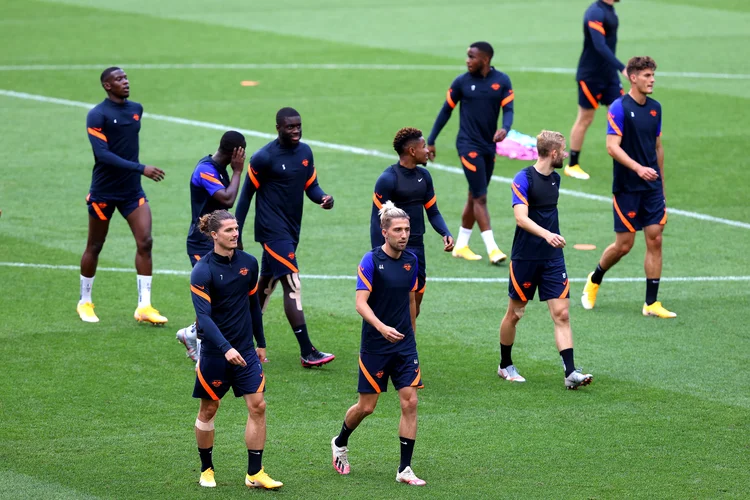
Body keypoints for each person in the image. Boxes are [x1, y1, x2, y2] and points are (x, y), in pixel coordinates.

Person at [331, 201, 426, 486]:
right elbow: (360, 303)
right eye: (398, 229)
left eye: (407, 229)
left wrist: (412, 333)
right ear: (384, 232)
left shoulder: (412, 260)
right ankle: (339, 442)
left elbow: (410, 299)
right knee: (367, 406)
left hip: (404, 345)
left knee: (410, 401)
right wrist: (382, 328)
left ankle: (404, 469)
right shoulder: (371, 261)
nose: (404, 234)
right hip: (375, 343)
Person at [235, 107, 335, 368]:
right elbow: (246, 196)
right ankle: (307, 351)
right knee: (293, 283)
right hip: (271, 230)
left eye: (299, 126)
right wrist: (236, 231)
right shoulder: (264, 158)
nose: (296, 130)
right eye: (290, 127)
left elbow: (311, 186)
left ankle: (235, 337)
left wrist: (323, 198)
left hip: (291, 230)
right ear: (278, 127)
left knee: (265, 286)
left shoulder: (305, 152)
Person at [190, 209, 282, 490]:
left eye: (237, 228)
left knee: (258, 406)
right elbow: (203, 317)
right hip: (217, 354)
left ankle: (255, 473)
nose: (235, 233)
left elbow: (253, 304)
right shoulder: (202, 270)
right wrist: (225, 348)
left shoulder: (249, 263)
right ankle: (206, 468)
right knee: (209, 408)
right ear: (214, 235)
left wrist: (261, 341)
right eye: (229, 230)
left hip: (245, 350)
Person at [581, 57, 675, 318]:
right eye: (646, 75)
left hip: (652, 187)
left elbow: (658, 148)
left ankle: (651, 303)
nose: (652, 79)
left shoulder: (655, 108)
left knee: (655, 238)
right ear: (633, 78)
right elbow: (612, 147)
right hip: (627, 187)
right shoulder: (619, 107)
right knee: (624, 245)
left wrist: (662, 184)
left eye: (653, 74)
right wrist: (638, 169)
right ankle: (595, 278)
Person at [499, 131, 593, 390]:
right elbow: (521, 218)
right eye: (562, 151)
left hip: (552, 258)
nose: (565, 154)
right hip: (526, 258)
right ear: (553, 153)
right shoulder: (523, 178)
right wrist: (547, 234)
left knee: (561, 314)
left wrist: (550, 240)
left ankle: (570, 372)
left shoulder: (556, 178)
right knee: (515, 313)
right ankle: (505, 364)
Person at [77, 67, 167, 324]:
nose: (125, 82)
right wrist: (142, 168)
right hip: (104, 191)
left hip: (131, 192)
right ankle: (84, 302)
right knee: (95, 245)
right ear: (107, 85)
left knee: (146, 242)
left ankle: (144, 307)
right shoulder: (97, 115)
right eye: (118, 79)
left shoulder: (136, 109)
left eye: (125, 77)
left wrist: (137, 173)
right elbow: (102, 155)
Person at [426, 41, 514, 264]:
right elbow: (445, 111)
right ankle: (493, 249)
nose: (468, 60)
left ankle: (461, 245)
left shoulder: (501, 81)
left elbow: (509, 110)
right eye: (467, 56)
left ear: (485, 59)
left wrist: (505, 128)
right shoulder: (462, 83)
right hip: (467, 146)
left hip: (489, 146)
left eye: (472, 57)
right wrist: (431, 140)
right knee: (481, 197)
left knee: (474, 194)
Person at [176, 131, 247, 362]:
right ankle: (202, 351)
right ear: (237, 152)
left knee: (221, 293)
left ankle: (191, 334)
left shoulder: (219, 169)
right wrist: (238, 171)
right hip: (201, 242)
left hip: (217, 241)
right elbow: (227, 199)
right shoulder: (205, 170)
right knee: (209, 297)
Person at [370, 127, 454, 317]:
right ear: (412, 151)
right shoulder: (388, 179)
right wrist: (379, 254)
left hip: (417, 246)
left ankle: (407, 343)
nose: (428, 151)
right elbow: (376, 221)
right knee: (391, 303)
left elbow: (433, 211)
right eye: (424, 147)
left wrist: (445, 232)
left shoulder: (424, 177)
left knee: (415, 301)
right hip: (393, 249)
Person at [565, 0, 628, 180]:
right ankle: (573, 164)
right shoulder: (595, 12)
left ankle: (627, 162)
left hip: (609, 76)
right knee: (585, 118)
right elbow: (599, 45)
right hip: (591, 76)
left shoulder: (609, 10)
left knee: (621, 115)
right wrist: (622, 67)